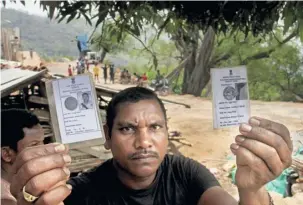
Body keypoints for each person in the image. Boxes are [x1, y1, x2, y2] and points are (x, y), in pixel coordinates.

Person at [10, 87, 292, 205]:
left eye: (155, 127)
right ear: (107, 136)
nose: (144, 142)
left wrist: (252, 189)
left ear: (167, 133)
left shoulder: (184, 173)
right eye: (127, 128)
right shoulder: (85, 191)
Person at [1, 109, 45, 205]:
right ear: (7, 154)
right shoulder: (6, 200)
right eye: (34, 145)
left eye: (43, 142)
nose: (44, 152)